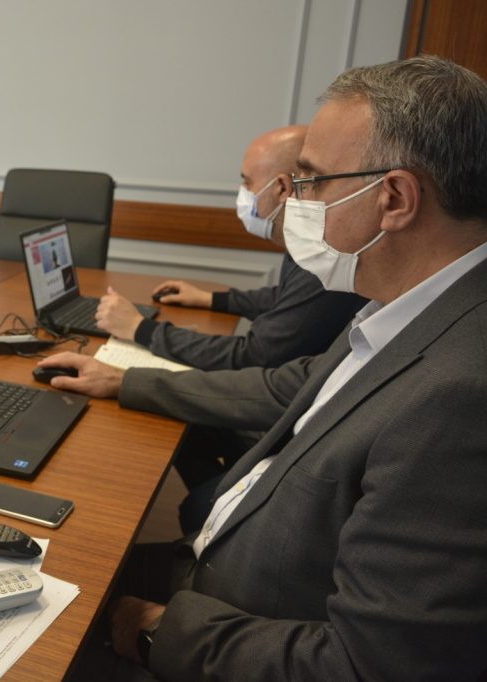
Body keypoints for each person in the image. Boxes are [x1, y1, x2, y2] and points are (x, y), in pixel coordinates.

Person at [51, 55, 487, 679]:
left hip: (223, 636)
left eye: (310, 181)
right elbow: (290, 386)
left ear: (393, 198)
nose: (294, 201)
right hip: (219, 576)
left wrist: (155, 633)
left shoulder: (461, 395)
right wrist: (125, 381)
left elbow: (368, 666)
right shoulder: (402, 309)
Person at [96, 125, 366, 372]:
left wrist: (140, 328)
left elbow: (253, 356)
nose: (243, 192)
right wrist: (212, 299)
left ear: (282, 188)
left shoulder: (326, 254)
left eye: (247, 183)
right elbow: (288, 298)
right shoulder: (309, 237)